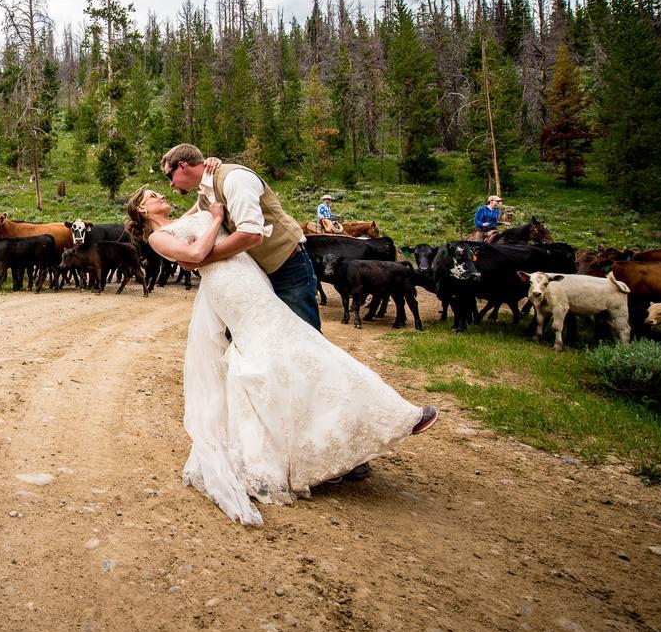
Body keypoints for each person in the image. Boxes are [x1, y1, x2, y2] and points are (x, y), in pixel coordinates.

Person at [126, 183, 438, 526]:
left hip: (248, 277)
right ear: (143, 210)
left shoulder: (183, 218)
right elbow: (198, 254)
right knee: (299, 349)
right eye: (153, 196)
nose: (161, 196)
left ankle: (323, 441)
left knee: (285, 355)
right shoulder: (158, 238)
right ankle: (392, 416)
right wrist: (215, 219)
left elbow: (202, 210)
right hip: (231, 288)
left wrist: (209, 184)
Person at [161, 144, 321, 330]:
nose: (171, 183)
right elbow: (185, 221)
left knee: (304, 334)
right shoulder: (205, 192)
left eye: (169, 176)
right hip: (256, 271)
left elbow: (251, 235)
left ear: (182, 166)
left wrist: (201, 259)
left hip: (288, 265)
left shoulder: (234, 179)